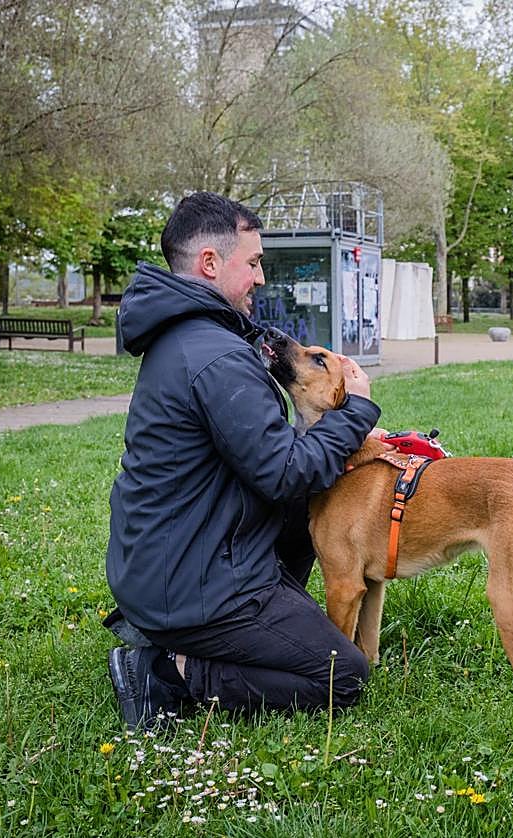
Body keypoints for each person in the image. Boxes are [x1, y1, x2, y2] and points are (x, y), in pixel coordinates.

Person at [104, 191, 385, 730]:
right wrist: (356, 413)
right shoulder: (215, 357)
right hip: (193, 583)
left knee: (313, 510)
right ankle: (169, 669)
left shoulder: (194, 337)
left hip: (174, 561)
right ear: (211, 263)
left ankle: (224, 629)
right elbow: (285, 473)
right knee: (341, 676)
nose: (260, 278)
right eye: (253, 263)